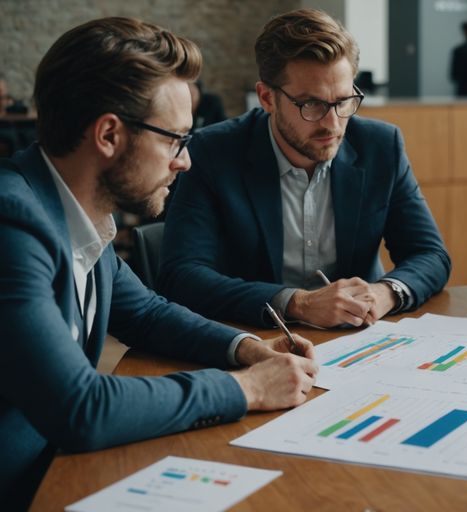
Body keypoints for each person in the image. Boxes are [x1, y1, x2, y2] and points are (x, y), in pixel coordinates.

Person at [0, 17, 318, 509]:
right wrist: (246, 389)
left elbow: (147, 314)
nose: (184, 161)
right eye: (176, 139)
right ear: (109, 135)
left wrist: (250, 349)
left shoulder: (73, 212)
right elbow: (82, 409)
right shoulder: (13, 224)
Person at [160, 9, 450, 328]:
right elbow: (182, 275)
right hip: (256, 338)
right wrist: (298, 303)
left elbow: (430, 255)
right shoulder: (212, 152)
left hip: (359, 340)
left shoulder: (380, 146)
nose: (332, 122)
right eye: (311, 104)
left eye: (343, 101)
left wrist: (386, 292)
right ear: (267, 98)